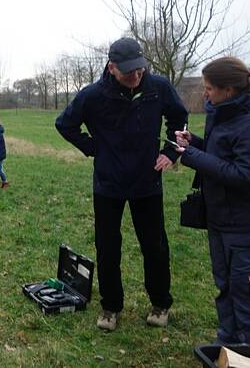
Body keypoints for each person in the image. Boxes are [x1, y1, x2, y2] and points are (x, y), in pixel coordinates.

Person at [55, 37, 188, 331]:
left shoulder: (158, 87)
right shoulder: (93, 95)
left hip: (147, 181)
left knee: (154, 245)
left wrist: (168, 152)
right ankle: (110, 307)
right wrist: (93, 148)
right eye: (129, 71)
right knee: (108, 246)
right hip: (108, 183)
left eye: (140, 69)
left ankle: (160, 303)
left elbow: (179, 117)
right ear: (111, 67)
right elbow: (64, 124)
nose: (136, 76)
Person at [174, 57, 250, 344]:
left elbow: (247, 174)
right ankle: (228, 344)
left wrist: (193, 157)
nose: (204, 94)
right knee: (225, 286)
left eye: (209, 89)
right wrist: (195, 142)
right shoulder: (223, 113)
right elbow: (223, 153)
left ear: (229, 90)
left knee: (248, 294)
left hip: (246, 227)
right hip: (221, 220)